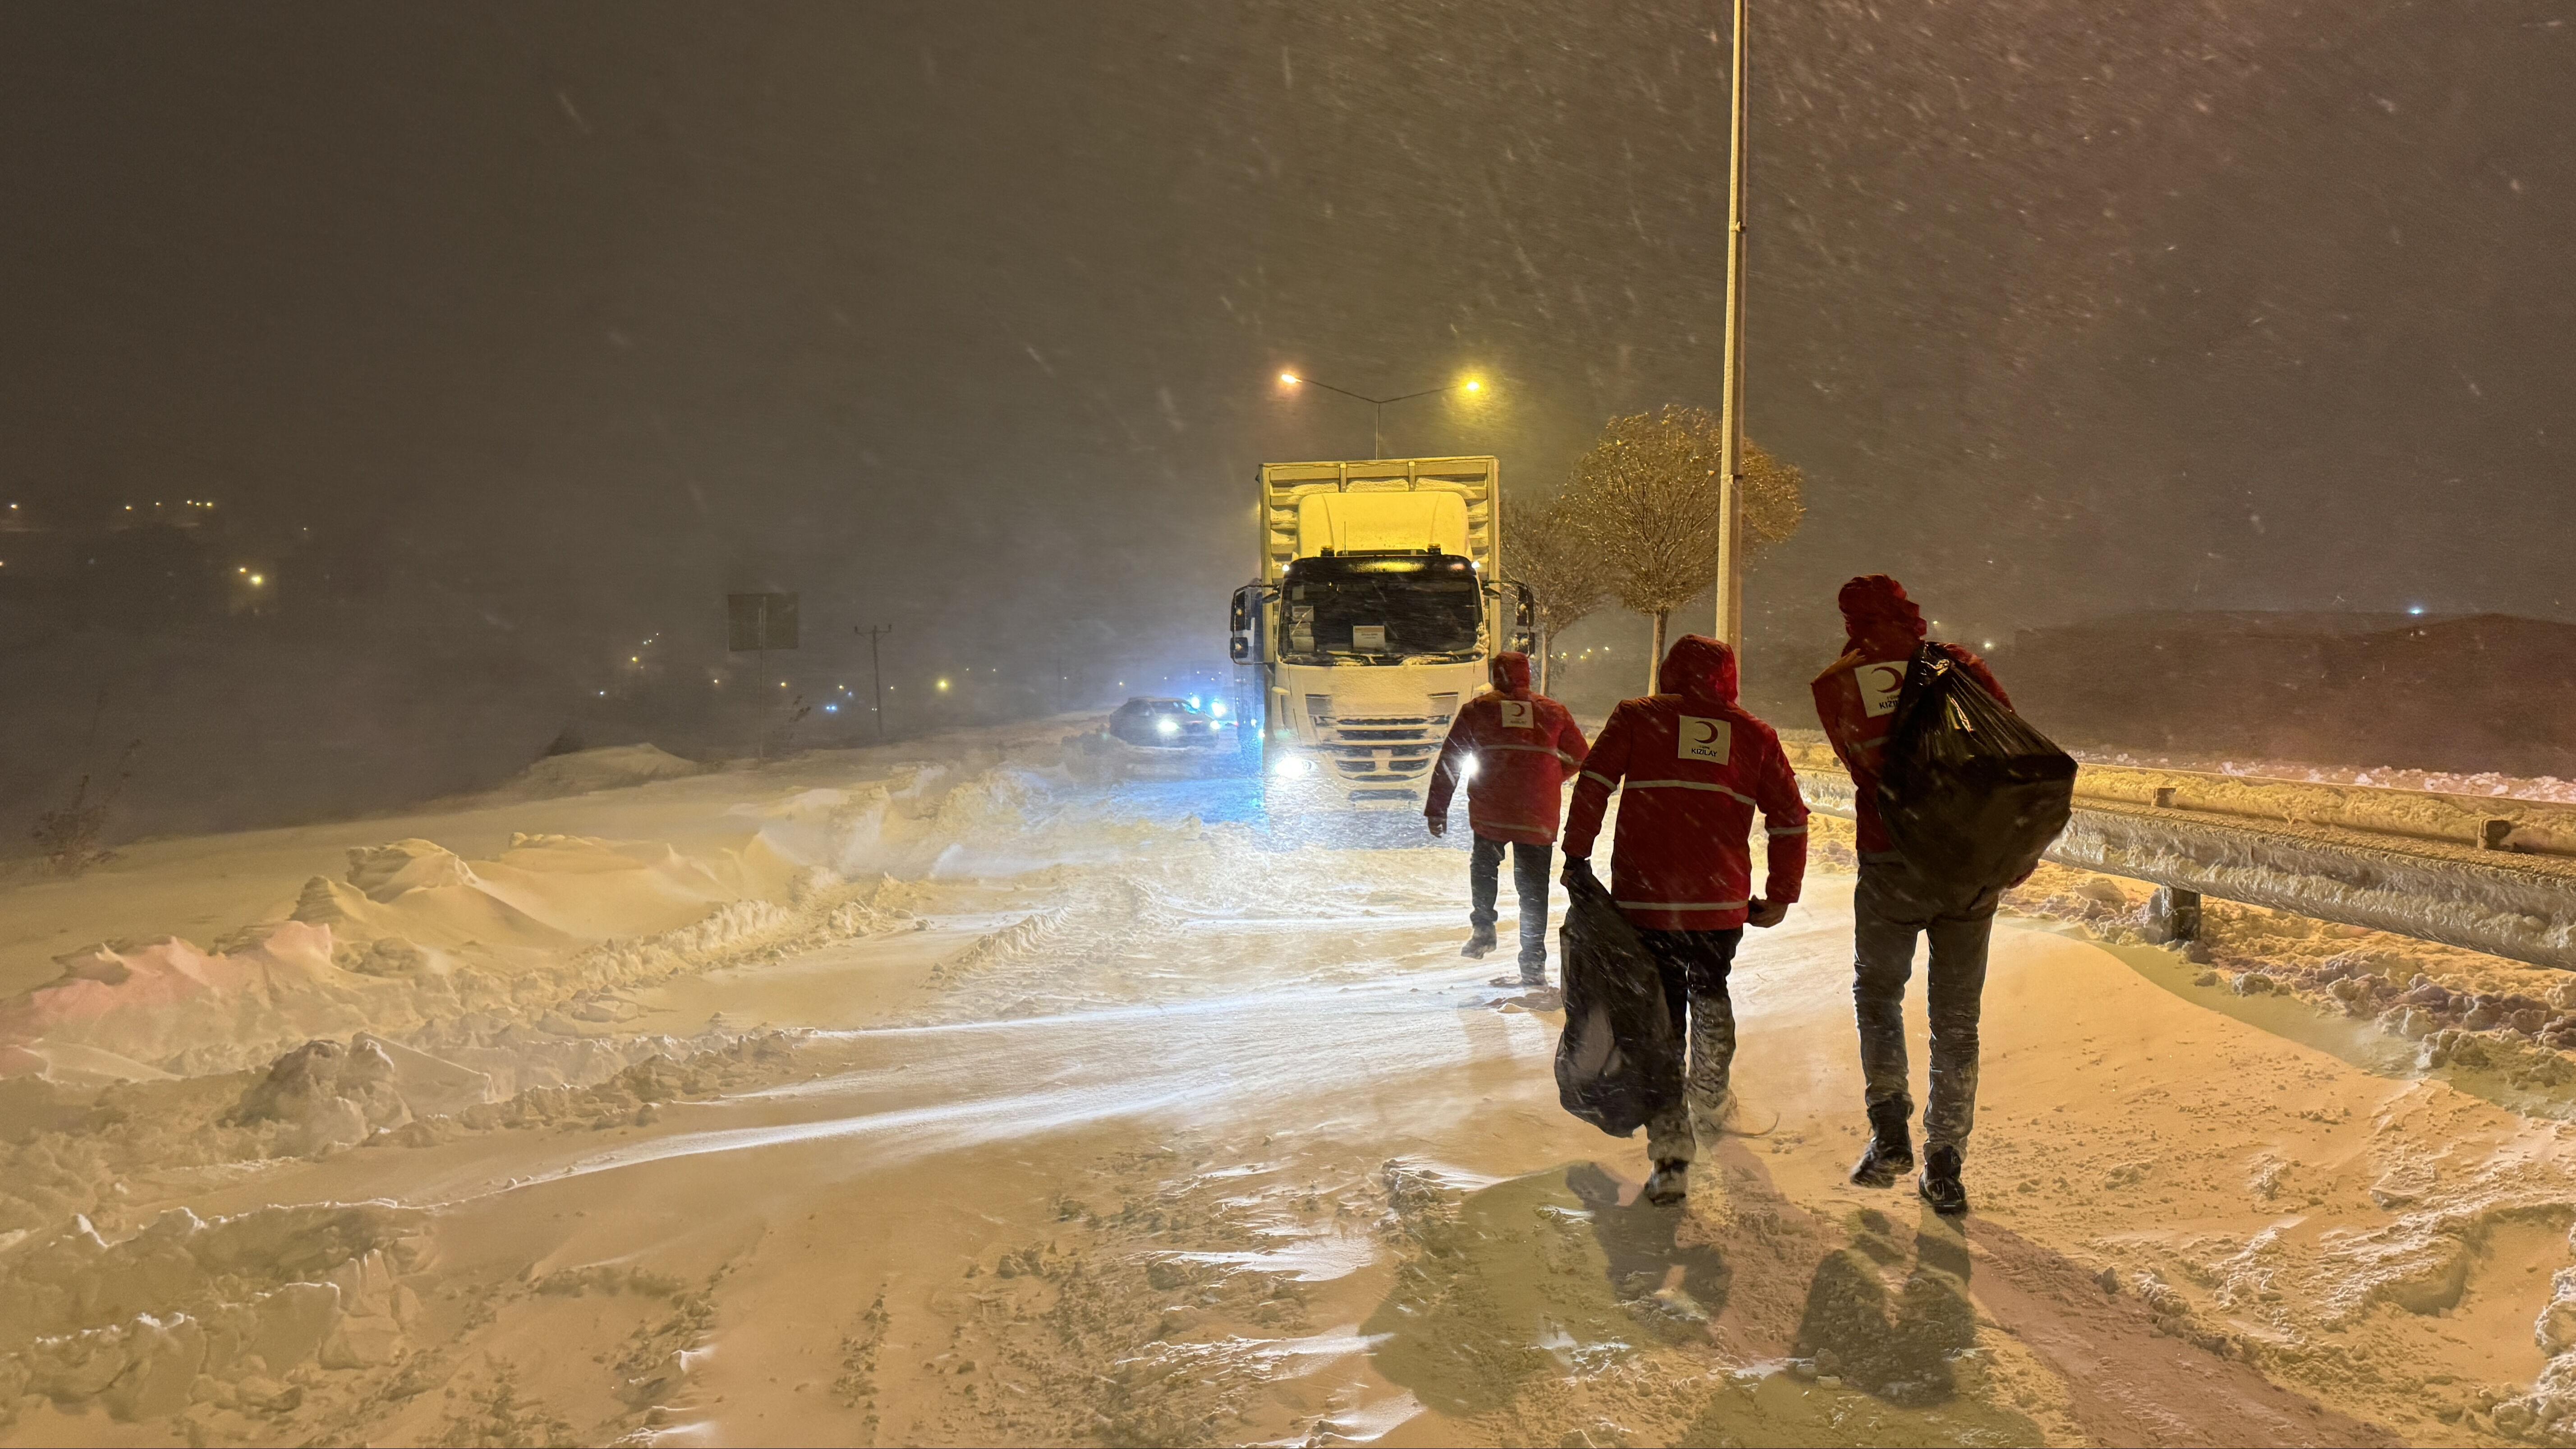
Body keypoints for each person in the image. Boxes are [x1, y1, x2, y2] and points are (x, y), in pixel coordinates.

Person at [1562, 634, 1808, 1205]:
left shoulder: (1636, 718)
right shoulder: (1754, 735)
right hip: (1718, 906)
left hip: (1647, 902)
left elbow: (1594, 785)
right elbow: (1790, 819)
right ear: (1729, 679)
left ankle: (1671, 1151)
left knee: (1659, 1018)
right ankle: (1712, 1094)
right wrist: (1780, 893)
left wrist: (1576, 855)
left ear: (1670, 670)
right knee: (1711, 987)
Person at [1812, 574, 2014, 1216]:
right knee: (1957, 1022)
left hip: (1890, 858)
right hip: (1965, 865)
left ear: (1850, 621)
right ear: (1908, 611)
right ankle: (1946, 1165)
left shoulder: (1835, 685)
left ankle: (1889, 1127)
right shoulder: (1958, 668)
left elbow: (1857, 763)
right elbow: (2006, 743)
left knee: (1878, 993)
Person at [1426, 650, 1589, 987]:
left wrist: (1437, 808)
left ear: (1496, 674)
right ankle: (1532, 959)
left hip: (1492, 810)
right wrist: (1549, 776)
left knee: (1484, 865)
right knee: (1533, 889)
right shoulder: (1551, 711)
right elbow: (1581, 756)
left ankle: (1484, 926)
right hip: (1537, 813)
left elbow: (1450, 760)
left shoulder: (1480, 709)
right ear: (1526, 674)